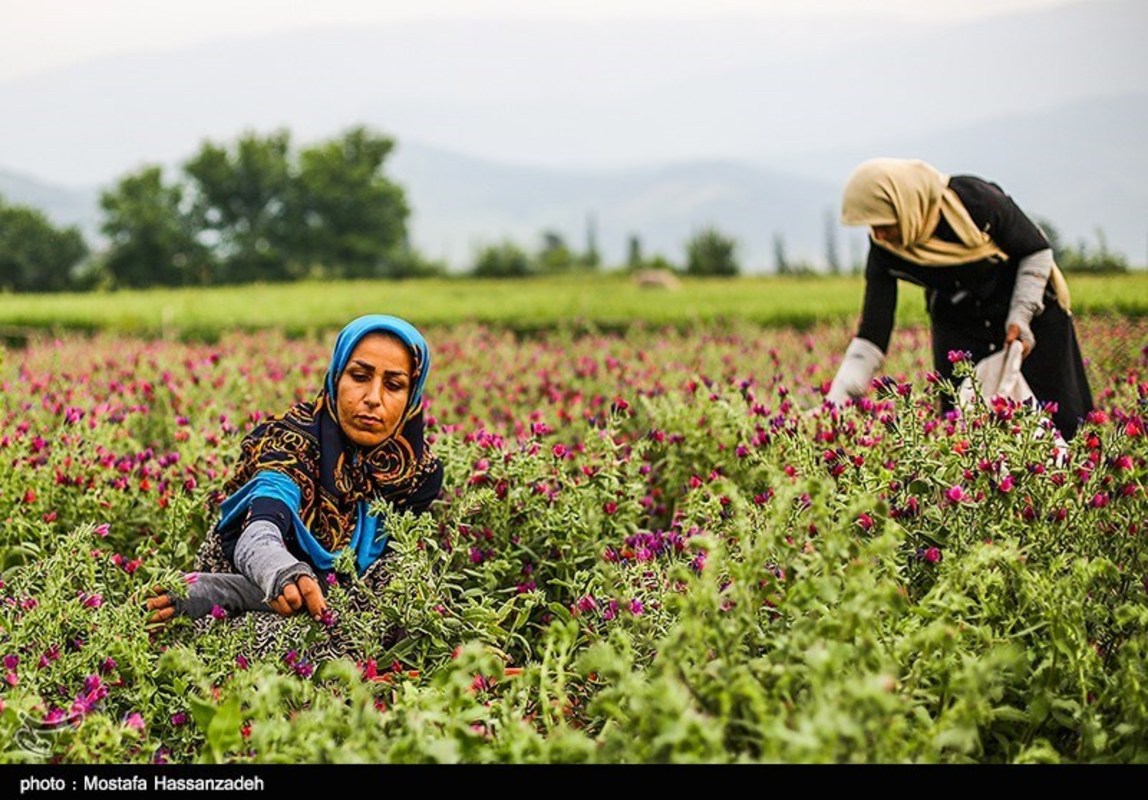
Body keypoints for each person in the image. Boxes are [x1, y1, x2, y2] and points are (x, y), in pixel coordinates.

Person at [146, 314, 443, 655]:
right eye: (359, 377)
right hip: (260, 572)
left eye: (394, 385)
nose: (373, 397)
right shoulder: (293, 442)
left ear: (412, 395)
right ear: (336, 378)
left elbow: (379, 584)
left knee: (407, 591)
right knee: (277, 643)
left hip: (337, 601)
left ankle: (227, 591)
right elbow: (260, 531)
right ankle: (226, 595)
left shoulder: (416, 474)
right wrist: (283, 573)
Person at [826, 158, 1093, 440]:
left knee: (1058, 419)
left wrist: (1021, 316)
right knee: (967, 432)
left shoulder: (973, 202)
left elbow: (1035, 249)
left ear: (903, 206)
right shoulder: (885, 248)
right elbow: (873, 331)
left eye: (884, 224)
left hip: (1026, 311)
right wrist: (838, 399)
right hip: (959, 322)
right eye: (871, 226)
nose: (878, 234)